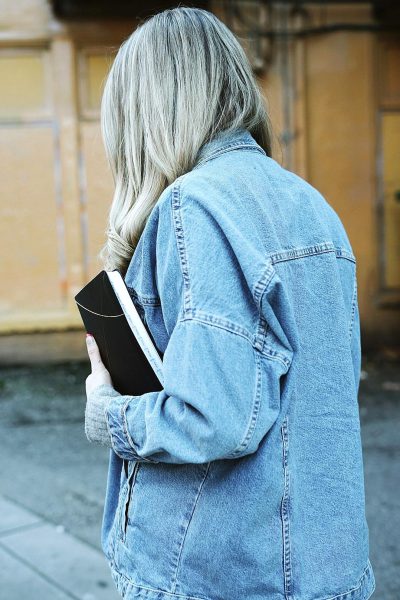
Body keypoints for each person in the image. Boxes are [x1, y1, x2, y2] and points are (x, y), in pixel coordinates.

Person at [83, 7, 375, 600]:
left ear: (145, 112)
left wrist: (106, 410)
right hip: (327, 569)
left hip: (215, 572)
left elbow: (212, 417)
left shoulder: (196, 207)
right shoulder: (312, 205)